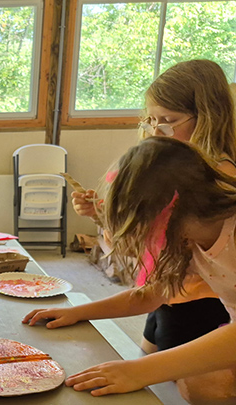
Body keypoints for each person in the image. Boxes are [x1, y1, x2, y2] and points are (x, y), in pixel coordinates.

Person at [61, 60, 234, 354]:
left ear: (206, 117)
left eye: (167, 121)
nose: (155, 131)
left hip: (197, 302)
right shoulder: (175, 180)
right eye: (150, 121)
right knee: (152, 371)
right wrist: (103, 215)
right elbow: (149, 285)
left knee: (187, 386)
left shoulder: (217, 184)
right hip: (167, 294)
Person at [47, 136, 236, 401]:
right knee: (196, 383)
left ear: (167, 212)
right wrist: (77, 312)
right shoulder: (188, 239)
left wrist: (139, 371)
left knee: (204, 384)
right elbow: (151, 295)